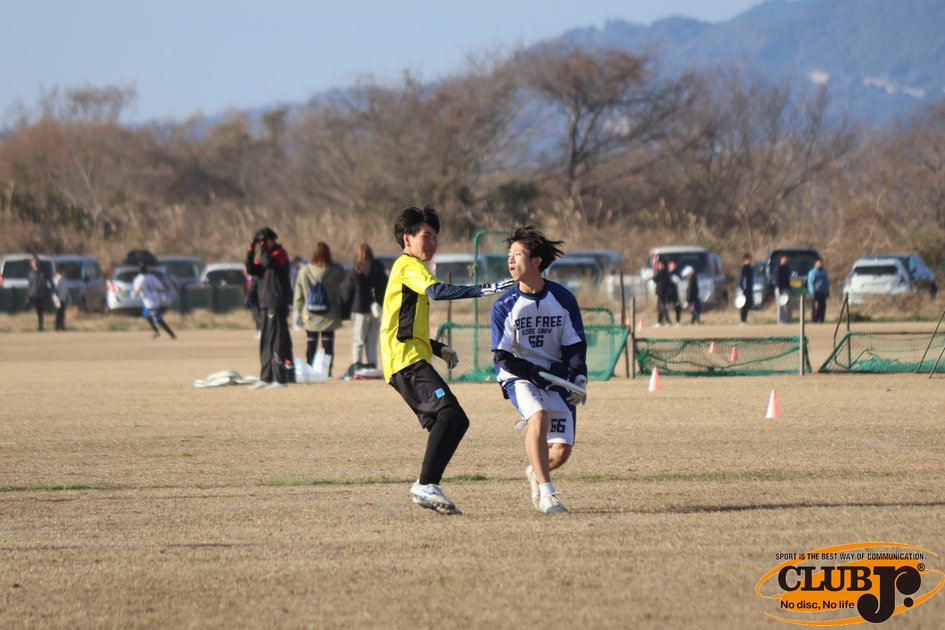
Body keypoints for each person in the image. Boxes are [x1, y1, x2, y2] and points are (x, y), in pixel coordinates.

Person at [380, 205, 513, 515]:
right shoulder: (409, 266)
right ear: (407, 239)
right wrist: (484, 289)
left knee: (455, 421)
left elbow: (404, 323)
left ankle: (427, 486)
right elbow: (437, 292)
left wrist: (438, 348)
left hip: (410, 358)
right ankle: (425, 485)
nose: (432, 243)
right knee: (450, 416)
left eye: (436, 237)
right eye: (426, 236)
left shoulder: (411, 269)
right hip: (405, 362)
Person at [491, 226, 587, 514]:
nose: (510, 260)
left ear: (537, 261)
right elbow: (503, 356)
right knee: (538, 417)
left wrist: (578, 375)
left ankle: (536, 472)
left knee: (561, 451)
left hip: (555, 376)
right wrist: (531, 372)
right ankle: (548, 494)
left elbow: (574, 344)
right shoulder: (504, 305)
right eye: (509, 255)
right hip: (519, 375)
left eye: (517, 254)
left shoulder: (563, 299)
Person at [245, 227, 294, 388]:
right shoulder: (265, 255)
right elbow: (251, 269)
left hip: (277, 303)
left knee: (278, 340)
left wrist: (264, 247)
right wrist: (251, 249)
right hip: (265, 305)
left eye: (265, 241)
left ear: (272, 240)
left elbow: (267, 263)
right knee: (266, 340)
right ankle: (265, 377)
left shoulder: (280, 254)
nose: (263, 244)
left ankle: (280, 378)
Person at [293, 242, 345, 375]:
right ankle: (327, 370)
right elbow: (343, 273)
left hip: (310, 312)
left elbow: (298, 292)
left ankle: (310, 367)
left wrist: (299, 308)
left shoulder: (305, 271)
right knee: (328, 343)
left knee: (311, 342)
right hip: (330, 313)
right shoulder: (335, 272)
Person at [342, 243, 388, 370]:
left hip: (360, 309)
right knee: (372, 340)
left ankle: (357, 363)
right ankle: (372, 363)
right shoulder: (379, 268)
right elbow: (386, 287)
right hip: (377, 309)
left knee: (359, 339)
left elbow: (347, 292)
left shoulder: (356, 270)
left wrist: (344, 311)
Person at [132, 264, 177, 339]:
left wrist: (135, 294)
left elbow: (136, 290)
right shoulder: (152, 277)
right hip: (155, 300)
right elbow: (160, 286)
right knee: (146, 315)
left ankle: (171, 334)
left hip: (149, 303)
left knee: (158, 320)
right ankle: (156, 331)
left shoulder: (139, 279)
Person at [25, 256, 53, 331]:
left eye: (36, 262)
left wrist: (52, 289)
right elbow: (30, 285)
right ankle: (27, 326)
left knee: (40, 311)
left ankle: (40, 326)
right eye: (34, 262)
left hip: (41, 294)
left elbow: (50, 281)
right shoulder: (31, 273)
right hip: (32, 295)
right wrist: (28, 296)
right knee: (27, 309)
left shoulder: (43, 272)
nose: (35, 264)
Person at [807, 258, 830, 323]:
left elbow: (827, 282)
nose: (821, 264)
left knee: (822, 306)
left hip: (823, 292)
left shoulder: (824, 272)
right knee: (816, 306)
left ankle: (821, 319)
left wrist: (827, 290)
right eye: (819, 263)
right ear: (815, 263)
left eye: (821, 263)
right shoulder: (813, 272)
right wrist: (812, 291)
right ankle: (814, 320)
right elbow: (810, 282)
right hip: (816, 292)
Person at [736, 253, 754, 325]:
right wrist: (741, 288)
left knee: (748, 304)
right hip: (744, 290)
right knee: (743, 305)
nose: (749, 261)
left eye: (750, 259)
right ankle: (742, 320)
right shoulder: (743, 268)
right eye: (748, 259)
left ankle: (745, 320)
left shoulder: (750, 268)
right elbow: (741, 279)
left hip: (749, 289)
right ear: (744, 260)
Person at [775, 254, 793, 324]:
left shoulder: (787, 268)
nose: (786, 260)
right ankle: (781, 321)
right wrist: (779, 289)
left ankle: (788, 320)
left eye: (786, 258)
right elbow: (777, 280)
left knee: (788, 306)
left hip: (787, 289)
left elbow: (788, 279)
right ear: (781, 259)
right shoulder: (778, 268)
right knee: (781, 306)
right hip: (780, 289)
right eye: (784, 258)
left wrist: (790, 288)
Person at [653, 259, 671, 326]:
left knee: (662, 307)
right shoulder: (665, 272)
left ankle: (668, 321)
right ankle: (659, 321)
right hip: (662, 293)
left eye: (660, 264)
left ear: (663, 265)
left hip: (662, 293)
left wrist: (655, 274)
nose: (658, 266)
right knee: (660, 307)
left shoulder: (662, 272)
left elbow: (655, 279)